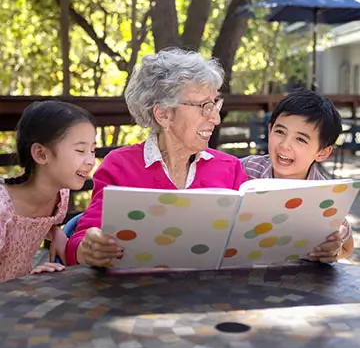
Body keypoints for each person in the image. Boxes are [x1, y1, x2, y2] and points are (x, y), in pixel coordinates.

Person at [65, 48, 248, 266]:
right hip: (140, 294)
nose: (216, 118)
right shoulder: (120, 167)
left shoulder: (230, 168)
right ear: (163, 114)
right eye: (204, 106)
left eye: (215, 103)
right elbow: (78, 242)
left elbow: (251, 238)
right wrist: (87, 250)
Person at [241, 89, 353, 263]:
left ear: (323, 153)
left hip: (294, 280)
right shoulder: (246, 169)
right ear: (270, 130)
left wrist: (333, 252)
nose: (285, 146)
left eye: (300, 139)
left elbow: (347, 246)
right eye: (280, 132)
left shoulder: (326, 197)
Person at [0, 100, 97, 282]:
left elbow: (35, 224)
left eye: (92, 150)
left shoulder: (60, 196)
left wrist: (56, 233)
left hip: (17, 297)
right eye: (80, 150)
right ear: (41, 154)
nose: (91, 160)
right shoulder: (3, 209)